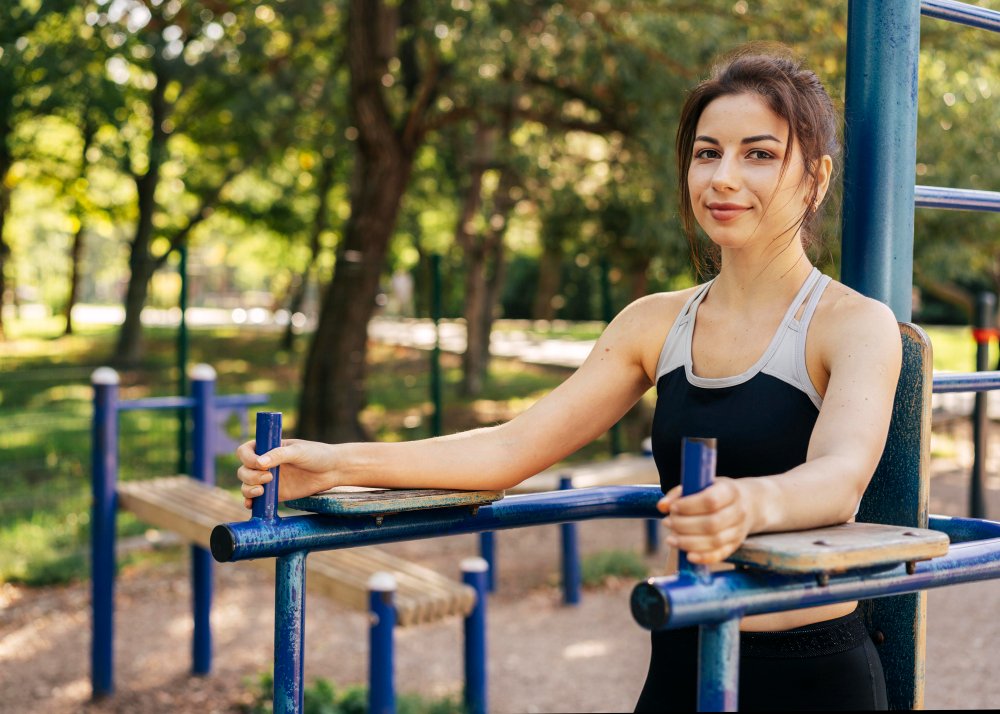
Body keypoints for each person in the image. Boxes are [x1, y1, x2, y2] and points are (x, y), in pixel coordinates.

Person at [237, 44, 900, 711]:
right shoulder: (651, 324)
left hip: (814, 671)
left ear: (814, 178)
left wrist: (749, 506)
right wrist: (334, 466)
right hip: (686, 647)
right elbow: (510, 449)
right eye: (707, 152)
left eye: (759, 154)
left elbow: (841, 479)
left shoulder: (852, 325)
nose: (723, 177)